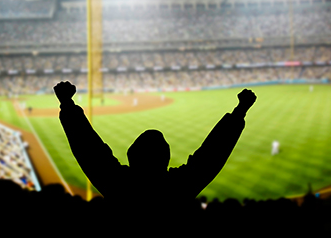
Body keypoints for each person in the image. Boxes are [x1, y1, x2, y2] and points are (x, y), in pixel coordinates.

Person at [54, 81, 256, 222]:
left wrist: (67, 104)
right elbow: (210, 156)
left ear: (131, 156)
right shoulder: (179, 187)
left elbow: (89, 151)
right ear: (166, 157)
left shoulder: (119, 185)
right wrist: (240, 111)